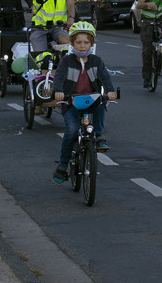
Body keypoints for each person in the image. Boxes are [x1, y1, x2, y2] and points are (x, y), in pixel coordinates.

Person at [51, 21, 119, 185]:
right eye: (78, 42)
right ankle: (63, 165)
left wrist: (110, 91)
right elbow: (58, 78)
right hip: (71, 102)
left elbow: (105, 77)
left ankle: (99, 136)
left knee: (100, 103)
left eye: (86, 42)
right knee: (72, 130)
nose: (82, 46)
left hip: (91, 100)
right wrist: (58, 91)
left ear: (92, 43)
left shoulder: (96, 61)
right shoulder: (66, 61)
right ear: (72, 43)